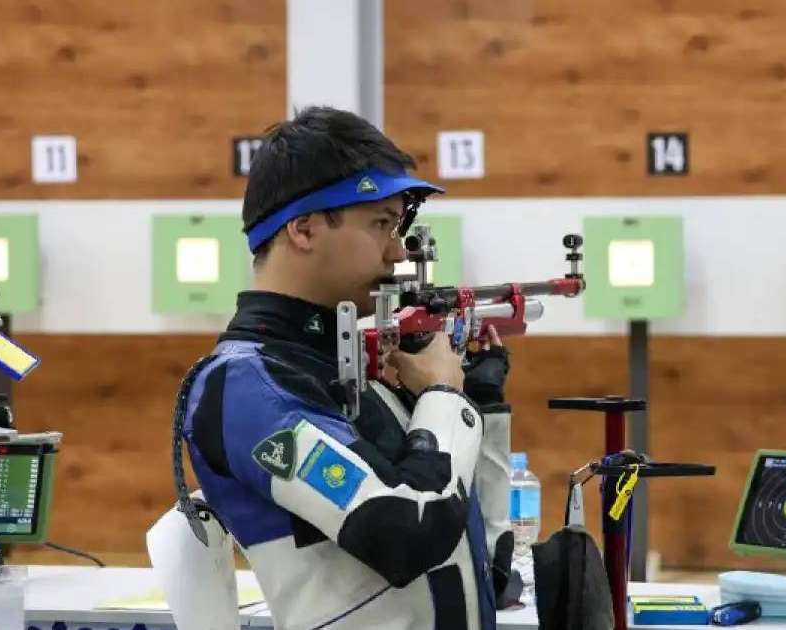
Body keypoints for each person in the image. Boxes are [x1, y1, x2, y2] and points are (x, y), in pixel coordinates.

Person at [147, 106, 515, 630]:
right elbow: (409, 532)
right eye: (381, 223)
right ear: (302, 229)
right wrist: (443, 396)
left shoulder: (348, 370)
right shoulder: (242, 387)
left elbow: (488, 566)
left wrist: (481, 402)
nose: (396, 251)